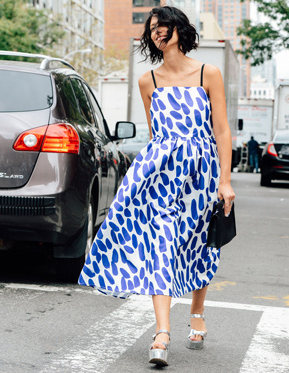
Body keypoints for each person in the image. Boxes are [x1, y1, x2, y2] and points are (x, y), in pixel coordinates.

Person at [78, 5, 235, 367]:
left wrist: (224, 181)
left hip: (202, 172)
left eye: (162, 25)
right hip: (160, 173)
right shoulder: (147, 80)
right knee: (162, 243)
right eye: (151, 29)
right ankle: (162, 332)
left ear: (179, 28)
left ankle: (197, 312)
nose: (157, 32)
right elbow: (157, 134)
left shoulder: (207, 74)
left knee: (199, 242)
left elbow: (222, 129)